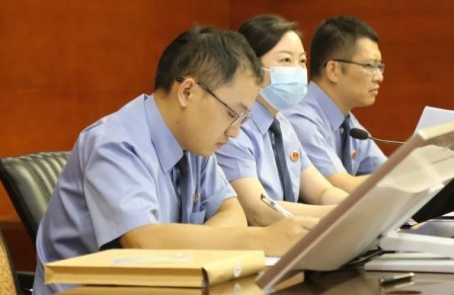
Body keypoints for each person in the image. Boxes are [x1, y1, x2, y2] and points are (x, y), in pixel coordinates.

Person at [34, 26, 317, 295]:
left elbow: (233, 214)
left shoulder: (195, 143)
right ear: (187, 91)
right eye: (233, 114)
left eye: (243, 119)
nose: (234, 132)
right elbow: (144, 242)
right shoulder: (115, 142)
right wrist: (263, 240)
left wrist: (182, 244)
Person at [216, 15, 348, 226]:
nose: (298, 70)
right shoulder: (233, 127)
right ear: (251, 66)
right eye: (286, 60)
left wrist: (356, 206)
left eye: (302, 61)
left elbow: (322, 191)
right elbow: (258, 210)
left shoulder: (282, 124)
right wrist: (341, 216)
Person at [285, 16, 387, 193]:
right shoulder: (299, 120)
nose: (379, 77)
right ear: (333, 70)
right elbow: (341, 186)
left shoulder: (348, 122)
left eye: (380, 66)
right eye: (370, 66)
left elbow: (385, 169)